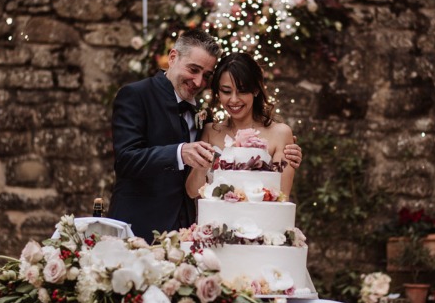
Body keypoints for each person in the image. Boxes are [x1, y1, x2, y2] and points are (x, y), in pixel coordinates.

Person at [109, 30, 301, 242]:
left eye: (206, 75)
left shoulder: (202, 115)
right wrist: (180, 153)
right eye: (193, 69)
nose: (199, 81)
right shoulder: (137, 95)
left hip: (191, 233)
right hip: (141, 225)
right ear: (173, 58)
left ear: (255, 90)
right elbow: (126, 159)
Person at [185, 52, 295, 200]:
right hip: (215, 221)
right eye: (226, 91)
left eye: (242, 91)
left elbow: (282, 197)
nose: (234, 100)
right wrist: (202, 166)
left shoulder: (281, 133)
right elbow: (193, 192)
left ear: (255, 90)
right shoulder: (210, 131)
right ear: (218, 92)